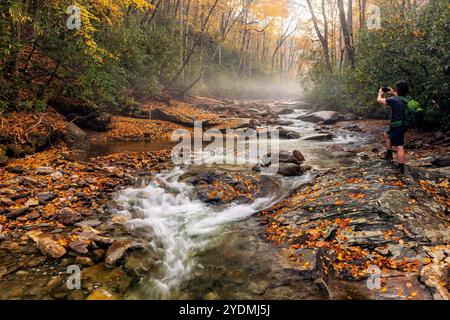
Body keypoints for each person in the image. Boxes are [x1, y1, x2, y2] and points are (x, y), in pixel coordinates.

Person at [376, 80, 409, 174]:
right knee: (387, 135)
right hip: (403, 124)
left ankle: (400, 168)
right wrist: (394, 92)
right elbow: (399, 98)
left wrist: (379, 93)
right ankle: (389, 155)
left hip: (397, 125)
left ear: (398, 89)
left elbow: (379, 100)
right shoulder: (406, 98)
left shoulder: (394, 100)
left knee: (399, 146)